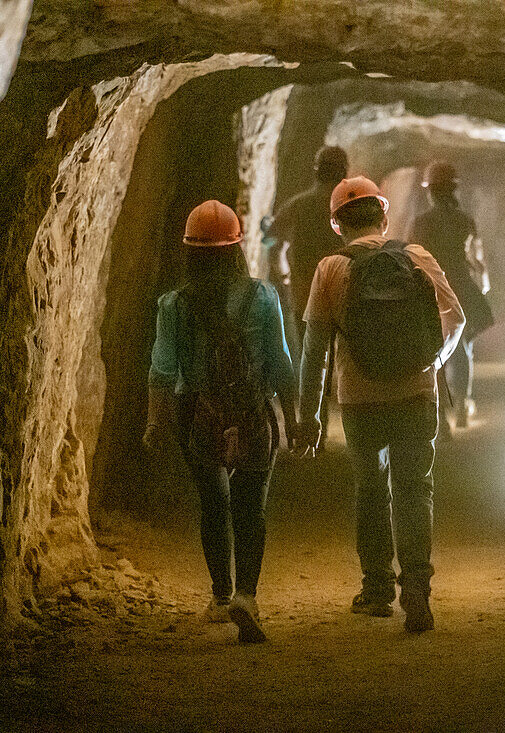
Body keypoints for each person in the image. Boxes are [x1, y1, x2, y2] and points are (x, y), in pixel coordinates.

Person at [298, 176, 465, 633]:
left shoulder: (330, 270)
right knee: (415, 488)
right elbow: (456, 319)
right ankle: (417, 590)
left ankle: (375, 591)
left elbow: (314, 349)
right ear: (384, 216)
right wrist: (431, 361)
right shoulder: (418, 257)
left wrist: (307, 416)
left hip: (360, 400)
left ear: (337, 226)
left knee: (371, 488)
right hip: (416, 394)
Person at [144, 199, 298, 644]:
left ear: (189, 251)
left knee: (214, 502)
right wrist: (293, 418)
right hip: (252, 409)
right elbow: (280, 362)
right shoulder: (263, 296)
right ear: (237, 247)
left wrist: (156, 421)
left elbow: (163, 369)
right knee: (251, 506)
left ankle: (219, 594)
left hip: (198, 412)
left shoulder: (173, 305)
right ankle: (246, 596)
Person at [265, 145, 349, 450]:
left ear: (316, 170)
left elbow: (272, 238)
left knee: (312, 363)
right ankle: (360, 432)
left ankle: (317, 429)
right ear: (343, 172)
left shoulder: (299, 204)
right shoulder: (347, 207)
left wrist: (282, 272)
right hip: (345, 295)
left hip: (307, 295)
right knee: (348, 362)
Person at [410, 162, 493, 434]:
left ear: (431, 191)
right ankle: (460, 407)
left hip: (430, 289)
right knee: (462, 349)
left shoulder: (421, 223)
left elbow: (411, 259)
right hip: (461, 289)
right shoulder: (464, 220)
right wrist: (482, 286)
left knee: (434, 353)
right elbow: (476, 259)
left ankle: (440, 415)